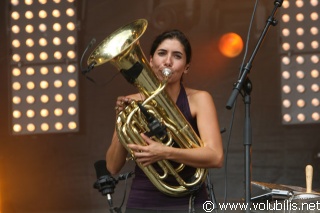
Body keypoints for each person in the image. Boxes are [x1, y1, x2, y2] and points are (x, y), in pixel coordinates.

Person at [106, 29, 223, 213]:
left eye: (177, 56)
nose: (168, 61)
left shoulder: (200, 99)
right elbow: (112, 167)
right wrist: (121, 120)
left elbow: (215, 156)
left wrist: (165, 152)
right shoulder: (132, 101)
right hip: (142, 202)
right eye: (162, 53)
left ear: (186, 67)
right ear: (150, 61)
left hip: (190, 203)